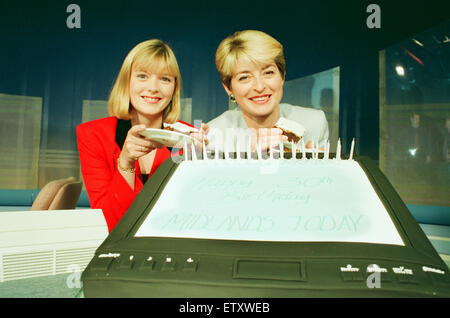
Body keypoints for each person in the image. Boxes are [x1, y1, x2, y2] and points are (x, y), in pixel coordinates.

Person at [77, 39, 191, 232]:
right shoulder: (93, 135)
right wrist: (126, 163)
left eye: (165, 79)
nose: (153, 88)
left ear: (174, 88)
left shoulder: (189, 138)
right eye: (142, 76)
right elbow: (109, 223)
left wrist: (204, 157)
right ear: (126, 81)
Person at [193, 30, 329, 153]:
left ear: (282, 76)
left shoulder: (314, 123)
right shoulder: (214, 137)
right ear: (228, 88)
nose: (259, 86)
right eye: (244, 77)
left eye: (268, 72)